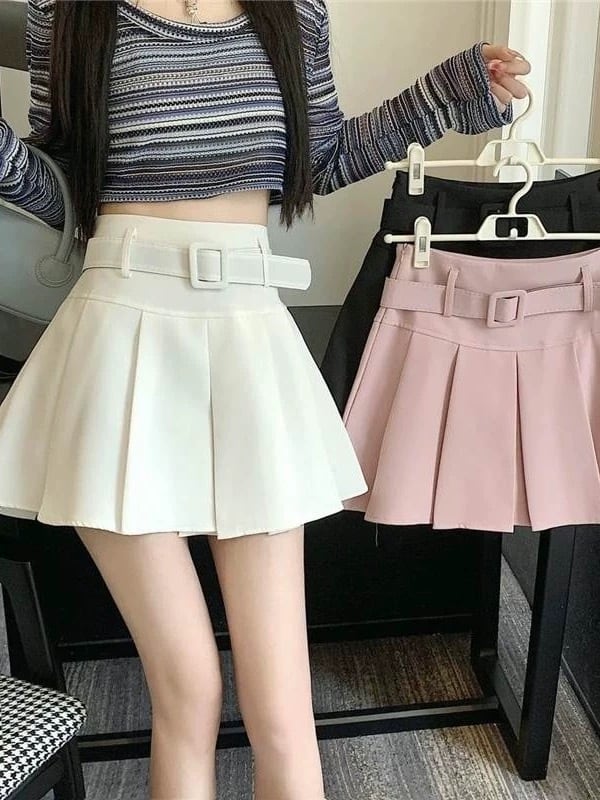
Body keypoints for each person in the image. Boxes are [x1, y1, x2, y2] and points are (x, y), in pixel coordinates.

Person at [0, 2, 530, 798]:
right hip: (116, 341)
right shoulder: (68, 9)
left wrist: (446, 93)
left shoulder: (293, 9)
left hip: (247, 336)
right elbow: (61, 186)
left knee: (283, 712)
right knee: (188, 691)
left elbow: (321, 157)